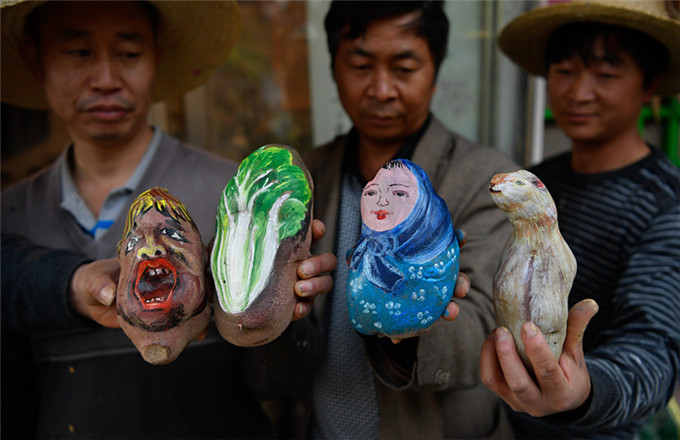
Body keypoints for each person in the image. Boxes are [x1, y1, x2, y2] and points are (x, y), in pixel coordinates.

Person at [0, 1, 335, 438]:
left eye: (128, 53)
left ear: (155, 56)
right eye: (78, 52)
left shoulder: (231, 203)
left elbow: (284, 382)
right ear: (35, 59)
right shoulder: (9, 217)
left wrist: (286, 319)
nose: (106, 78)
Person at [301, 1, 519, 438]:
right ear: (334, 68)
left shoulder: (486, 179)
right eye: (361, 66)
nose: (382, 89)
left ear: (434, 71)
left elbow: (485, 326)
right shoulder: (309, 175)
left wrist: (412, 326)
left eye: (404, 68)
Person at [480, 1, 680, 438]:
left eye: (606, 75)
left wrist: (584, 389)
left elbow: (655, 346)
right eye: (565, 71)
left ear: (650, 84)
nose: (578, 92)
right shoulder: (538, 182)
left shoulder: (667, 206)